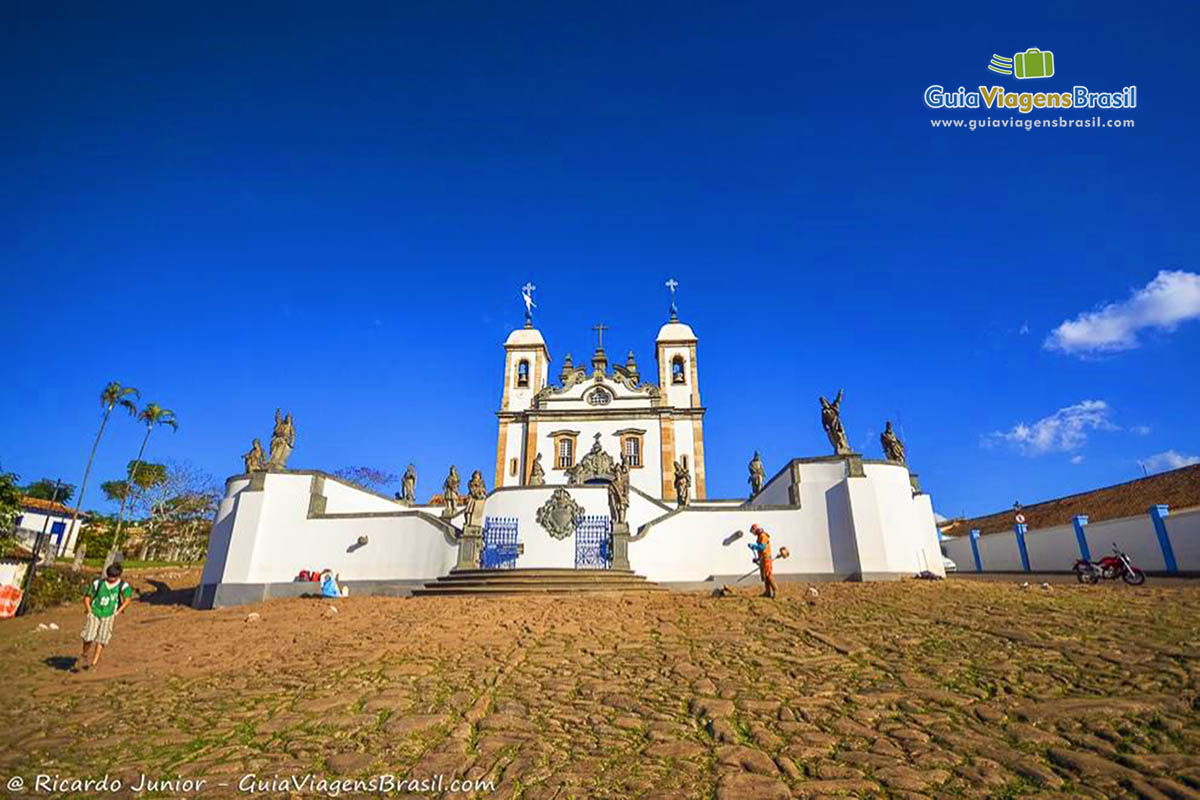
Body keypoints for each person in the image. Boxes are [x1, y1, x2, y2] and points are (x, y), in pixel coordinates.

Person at [75, 563, 133, 672]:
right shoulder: (98, 583)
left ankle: (94, 663)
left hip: (109, 615)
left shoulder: (123, 586)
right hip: (95, 612)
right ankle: (84, 654)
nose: (111, 579)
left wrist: (118, 611)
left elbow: (128, 599)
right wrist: (88, 609)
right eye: (109, 576)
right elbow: (88, 597)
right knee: (88, 636)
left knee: (102, 639)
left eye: (113, 577)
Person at [747, 524, 778, 599]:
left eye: (752, 531)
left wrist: (754, 546)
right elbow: (761, 550)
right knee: (764, 576)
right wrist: (757, 559)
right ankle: (767, 592)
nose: (753, 533)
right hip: (762, 558)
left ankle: (775, 590)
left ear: (755, 530)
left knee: (768, 575)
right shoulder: (759, 536)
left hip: (766, 558)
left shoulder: (763, 536)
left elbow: (762, 547)